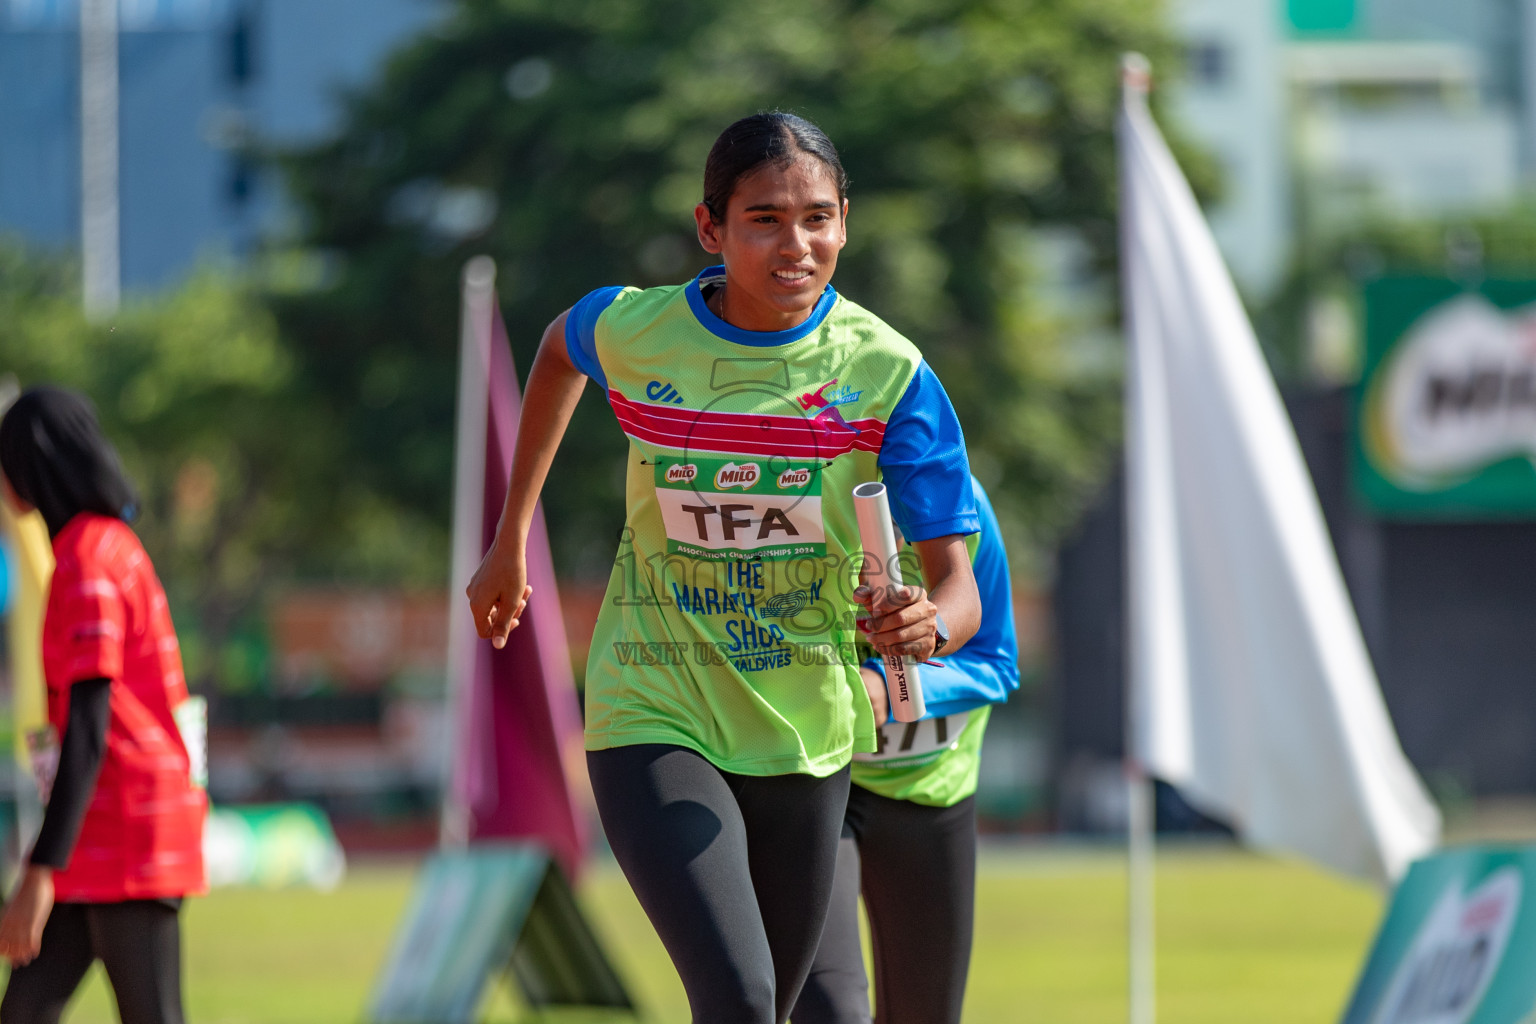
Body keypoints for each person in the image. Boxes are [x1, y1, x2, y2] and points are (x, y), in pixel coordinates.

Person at [466, 111, 982, 1024]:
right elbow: (557, 349)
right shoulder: (640, 330)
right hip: (655, 704)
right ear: (711, 229)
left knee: (771, 1011)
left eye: (818, 218)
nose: (798, 245)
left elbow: (959, 587)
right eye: (765, 220)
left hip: (805, 730)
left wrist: (926, 624)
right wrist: (511, 536)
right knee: (738, 999)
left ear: (846, 220)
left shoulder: (890, 373)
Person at [0, 388, 206, 1024]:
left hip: (131, 831)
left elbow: (91, 726)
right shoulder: (90, 548)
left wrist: (39, 868)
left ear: (29, 465)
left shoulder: (91, 557)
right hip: (93, 831)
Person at [791, 475, 1019, 1024]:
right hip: (819, 785)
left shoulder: (962, 501)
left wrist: (888, 689)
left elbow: (998, 663)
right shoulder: (796, 502)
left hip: (934, 791)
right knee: (830, 1011)